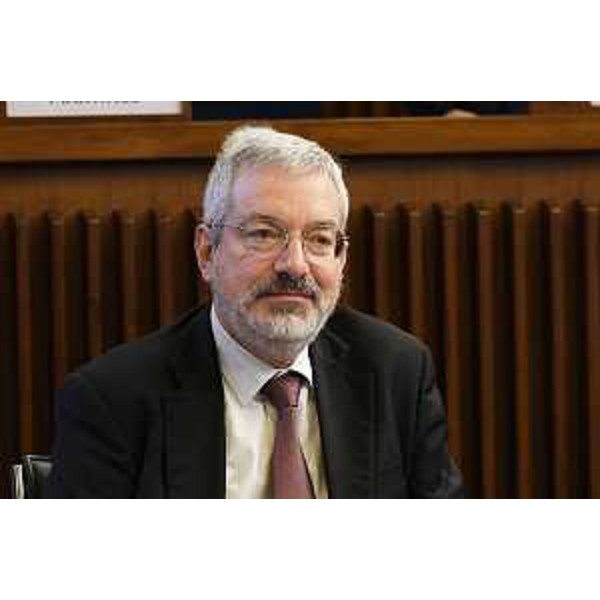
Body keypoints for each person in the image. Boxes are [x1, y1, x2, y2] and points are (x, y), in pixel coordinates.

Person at [48, 125, 463, 498]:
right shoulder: (113, 400)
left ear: (341, 259)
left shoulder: (396, 371)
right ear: (207, 251)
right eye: (264, 234)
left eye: (319, 239)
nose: (295, 265)